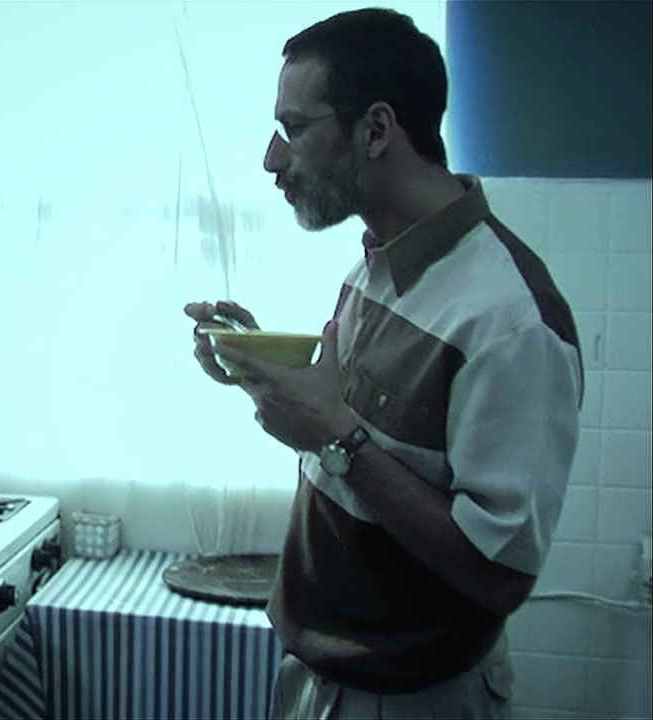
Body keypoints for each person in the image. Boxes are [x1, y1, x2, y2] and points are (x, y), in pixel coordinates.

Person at [184, 9, 583, 720]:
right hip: (316, 678)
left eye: (294, 129)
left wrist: (336, 438)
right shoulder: (372, 269)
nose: (273, 159)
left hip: (412, 702)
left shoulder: (513, 322)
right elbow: (347, 426)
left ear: (375, 131)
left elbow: (500, 576)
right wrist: (256, 365)